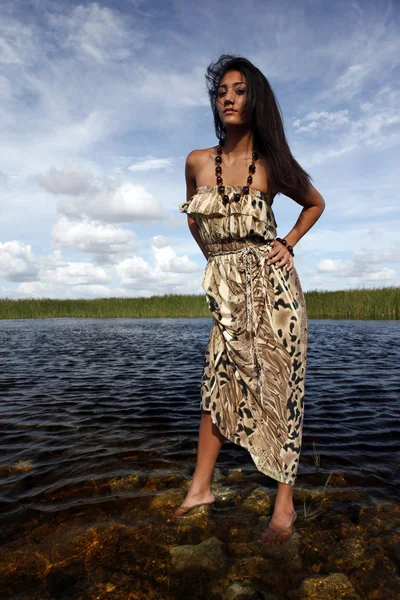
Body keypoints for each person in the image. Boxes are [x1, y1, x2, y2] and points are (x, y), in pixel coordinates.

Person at [167, 55, 325, 544]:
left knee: (280, 391)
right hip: (228, 295)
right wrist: (219, 265)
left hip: (274, 295)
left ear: (254, 99)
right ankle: (200, 490)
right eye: (222, 92)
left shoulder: (273, 163)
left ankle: (284, 507)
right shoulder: (196, 160)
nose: (229, 98)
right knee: (216, 386)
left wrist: (288, 242)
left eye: (239, 90)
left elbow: (315, 202)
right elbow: (195, 221)